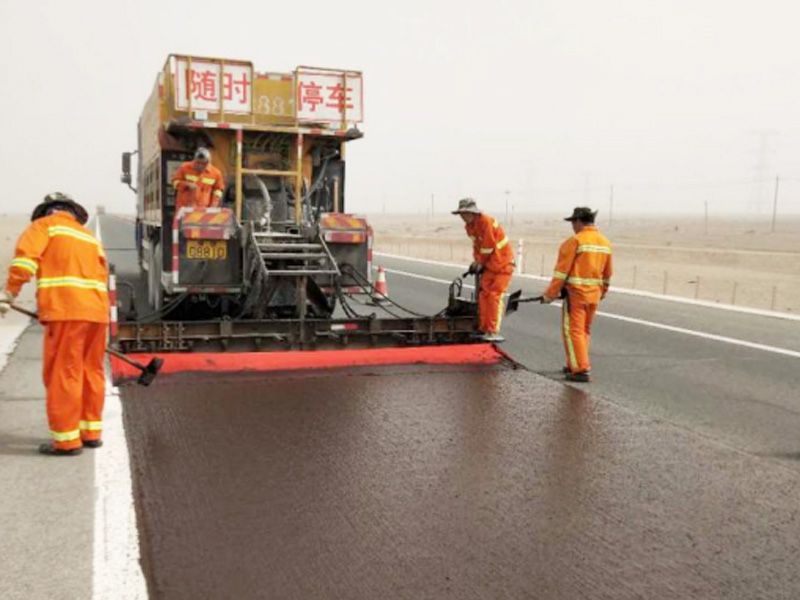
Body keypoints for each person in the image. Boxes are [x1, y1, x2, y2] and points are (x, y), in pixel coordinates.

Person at [0, 193, 110, 456]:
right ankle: (91, 433)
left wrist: (9, 293)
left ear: (46, 211)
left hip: (66, 311)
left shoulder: (44, 226)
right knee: (91, 371)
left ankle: (67, 440)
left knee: (65, 373)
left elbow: (25, 261)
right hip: (97, 313)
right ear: (72, 212)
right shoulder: (88, 237)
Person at [542, 207, 613, 383]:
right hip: (594, 295)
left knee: (573, 331)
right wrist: (603, 291)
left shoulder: (575, 241)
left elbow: (561, 273)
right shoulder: (605, 242)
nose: (572, 226)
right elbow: (607, 273)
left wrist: (550, 294)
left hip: (576, 295)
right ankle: (575, 363)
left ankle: (580, 369)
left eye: (573, 222)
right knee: (584, 331)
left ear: (579, 221)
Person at [452, 197, 515, 342]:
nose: (462, 217)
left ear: (472, 213)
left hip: (503, 264)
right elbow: (477, 246)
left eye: (465, 213)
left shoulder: (486, 221)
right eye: (461, 214)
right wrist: (476, 261)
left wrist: (480, 262)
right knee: (483, 296)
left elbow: (488, 246)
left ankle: (492, 331)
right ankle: (483, 328)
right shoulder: (469, 227)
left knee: (494, 296)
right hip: (489, 265)